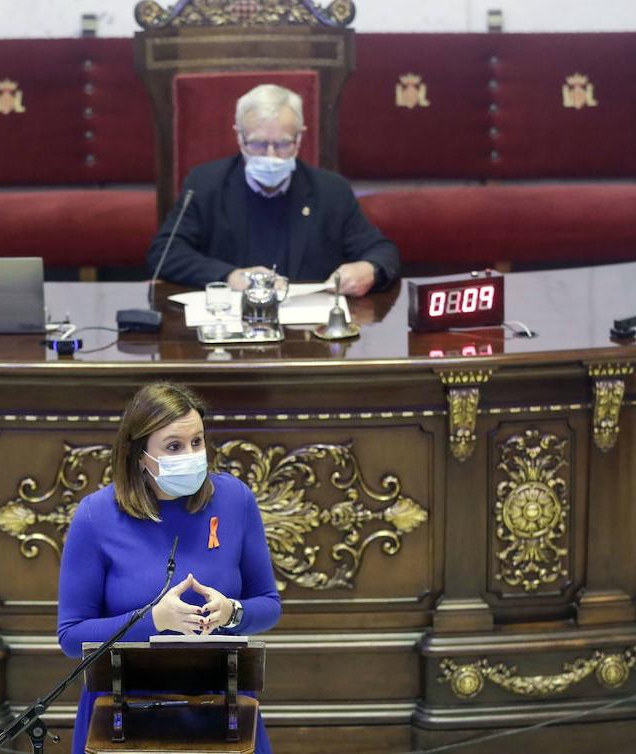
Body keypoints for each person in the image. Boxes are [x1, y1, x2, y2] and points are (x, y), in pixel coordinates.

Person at [57, 382, 281, 754]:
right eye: (174, 446)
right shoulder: (96, 516)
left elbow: (269, 605)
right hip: (124, 712)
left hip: (221, 711)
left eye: (197, 442)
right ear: (139, 454)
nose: (191, 455)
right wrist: (155, 619)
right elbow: (71, 637)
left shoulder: (235, 499)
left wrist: (232, 612)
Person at [145, 83, 401, 297]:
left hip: (307, 333)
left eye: (282, 144)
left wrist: (369, 269)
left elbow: (383, 251)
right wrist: (229, 276)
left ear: (299, 139)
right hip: (230, 330)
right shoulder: (205, 184)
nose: (270, 155)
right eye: (257, 144)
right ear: (239, 137)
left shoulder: (330, 190)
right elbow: (165, 253)